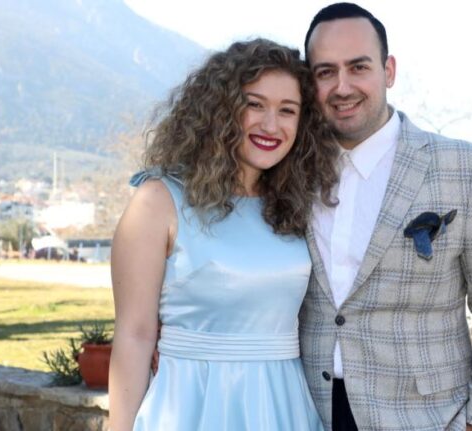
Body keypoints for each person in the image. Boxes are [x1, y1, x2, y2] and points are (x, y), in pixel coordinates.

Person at [299, 3, 472, 431]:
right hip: (308, 412)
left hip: (428, 417)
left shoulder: (464, 167)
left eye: (358, 67)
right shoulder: (291, 171)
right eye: (325, 72)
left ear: (388, 71)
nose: (342, 87)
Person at [109, 38, 339, 431]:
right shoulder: (158, 201)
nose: (271, 125)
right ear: (221, 108)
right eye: (255, 104)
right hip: (192, 406)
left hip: (284, 406)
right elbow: (134, 334)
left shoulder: (298, 206)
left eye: (287, 110)